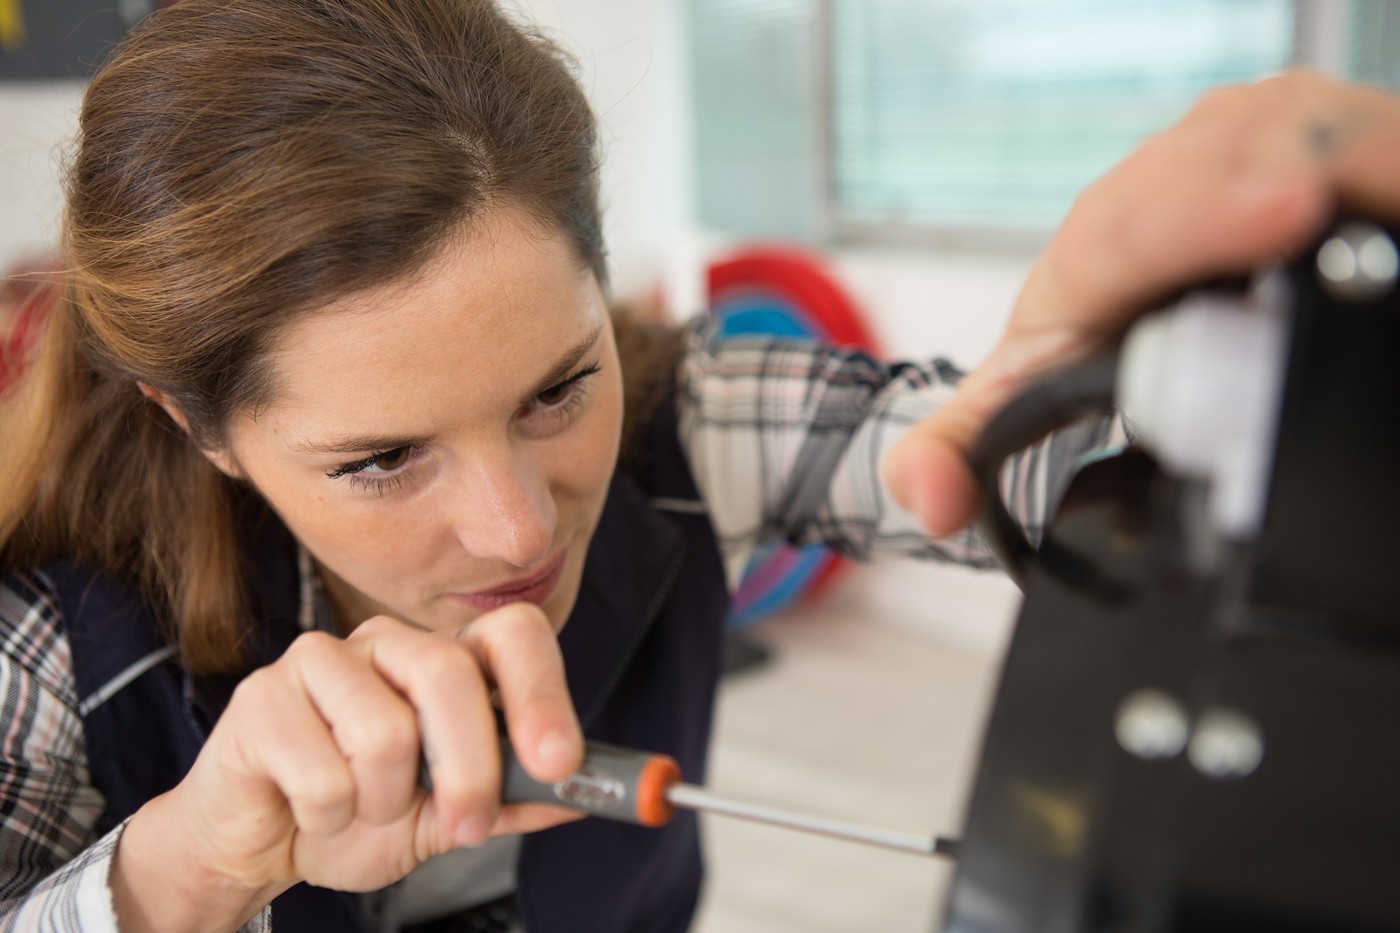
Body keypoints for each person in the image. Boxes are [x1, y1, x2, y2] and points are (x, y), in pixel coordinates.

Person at [0, 0, 1395, 930]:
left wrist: (1278, 401)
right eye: (379, 459)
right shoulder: (54, 639)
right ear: (200, 425)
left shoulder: (698, 410)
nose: (513, 530)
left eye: (558, 388)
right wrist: (176, 871)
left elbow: (1081, 486)